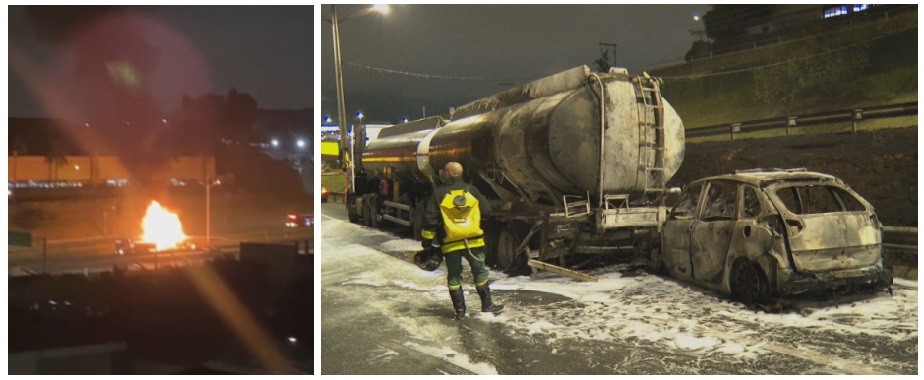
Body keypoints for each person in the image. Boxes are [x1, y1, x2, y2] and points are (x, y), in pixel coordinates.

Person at [421, 162, 503, 319]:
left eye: (444, 171)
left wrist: (426, 243)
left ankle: (460, 312)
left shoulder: (439, 194)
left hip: (451, 243)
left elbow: (430, 219)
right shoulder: (472, 191)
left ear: (449, 173)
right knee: (480, 272)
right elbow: (486, 211)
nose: (443, 174)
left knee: (454, 276)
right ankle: (487, 306)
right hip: (474, 241)